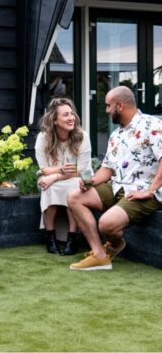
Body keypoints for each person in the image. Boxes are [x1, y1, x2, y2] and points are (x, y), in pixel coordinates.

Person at [68, 86, 162, 271]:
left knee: (106, 224)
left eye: (108, 106)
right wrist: (90, 182)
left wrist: (150, 191)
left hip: (145, 191)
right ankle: (99, 255)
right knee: (74, 197)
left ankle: (115, 245)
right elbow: (107, 169)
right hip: (117, 187)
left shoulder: (153, 125)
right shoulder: (116, 134)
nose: (106, 110)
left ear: (120, 105)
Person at [35, 97, 92, 255]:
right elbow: (44, 169)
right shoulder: (43, 138)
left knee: (73, 186)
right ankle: (50, 236)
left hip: (79, 176)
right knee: (47, 186)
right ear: (54, 120)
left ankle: (73, 237)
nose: (71, 117)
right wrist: (58, 171)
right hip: (50, 175)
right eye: (65, 115)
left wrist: (55, 177)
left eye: (71, 113)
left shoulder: (82, 136)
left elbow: (81, 169)